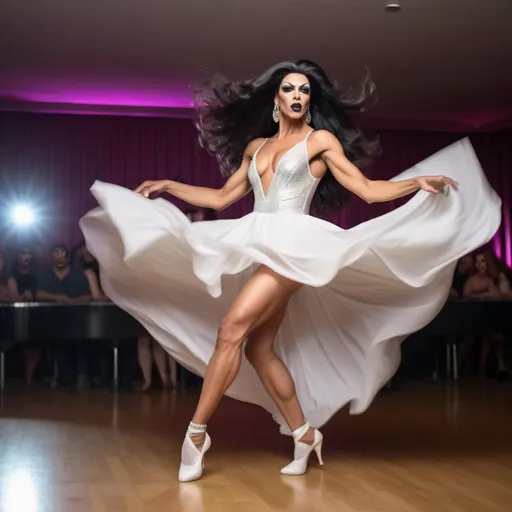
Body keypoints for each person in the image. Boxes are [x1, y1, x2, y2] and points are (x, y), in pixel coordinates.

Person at [80, 60, 501, 482]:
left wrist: (416, 182)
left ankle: (196, 434)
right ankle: (303, 434)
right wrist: (168, 186)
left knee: (230, 330)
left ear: (309, 102)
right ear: (277, 100)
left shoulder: (319, 141)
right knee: (259, 350)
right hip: (258, 240)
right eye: (289, 89)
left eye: (304, 90)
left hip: (295, 247)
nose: (298, 95)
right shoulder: (255, 148)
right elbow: (221, 199)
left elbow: (367, 190)